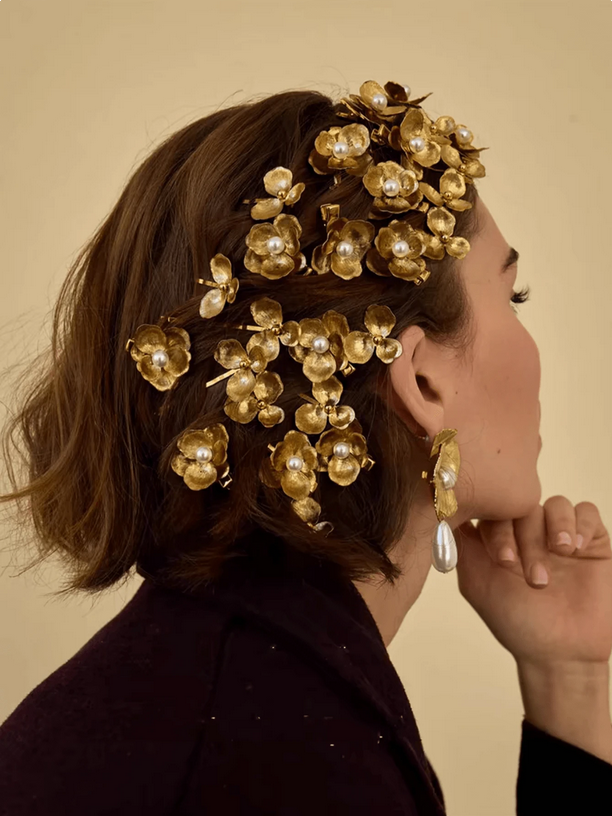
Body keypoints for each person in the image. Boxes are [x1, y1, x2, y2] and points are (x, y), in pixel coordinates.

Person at [0, 81, 611, 815]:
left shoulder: (238, 687)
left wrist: (568, 681)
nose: (535, 342)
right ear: (421, 379)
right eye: (513, 297)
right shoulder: (286, 763)